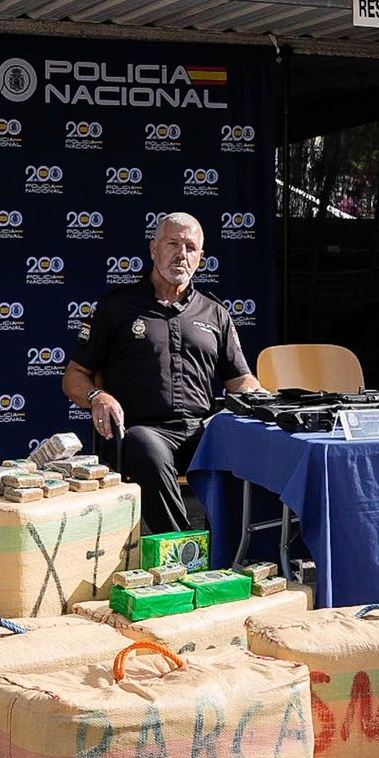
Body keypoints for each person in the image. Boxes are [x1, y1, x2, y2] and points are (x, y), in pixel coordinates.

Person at [63, 212, 263, 533]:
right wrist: (97, 396)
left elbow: (241, 380)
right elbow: (74, 376)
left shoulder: (215, 313)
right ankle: (183, 551)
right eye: (172, 244)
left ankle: (245, 553)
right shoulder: (116, 307)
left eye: (190, 247)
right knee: (146, 446)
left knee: (255, 442)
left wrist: (263, 401)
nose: (180, 254)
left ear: (201, 257)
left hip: (203, 434)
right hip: (142, 433)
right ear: (153, 249)